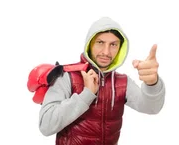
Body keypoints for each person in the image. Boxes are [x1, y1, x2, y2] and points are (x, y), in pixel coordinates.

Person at [27, 17, 166, 145]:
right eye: (100, 42)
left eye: (113, 44)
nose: (106, 52)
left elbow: (151, 108)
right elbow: (46, 126)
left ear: (120, 48)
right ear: (89, 44)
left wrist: (152, 84)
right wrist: (86, 94)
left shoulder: (122, 82)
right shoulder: (66, 76)